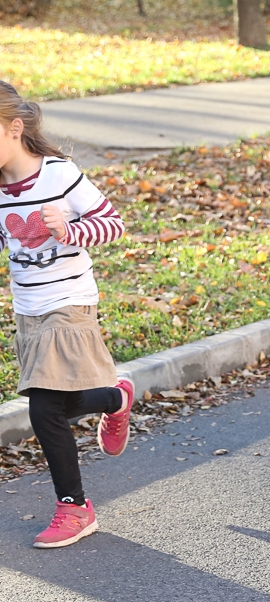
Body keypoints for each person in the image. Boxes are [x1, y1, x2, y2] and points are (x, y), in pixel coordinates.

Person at [0, 81, 133, 548]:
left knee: (43, 406)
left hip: (69, 301)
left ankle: (75, 508)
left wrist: (71, 229)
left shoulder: (59, 175)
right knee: (56, 403)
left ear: (14, 128)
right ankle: (114, 398)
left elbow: (113, 224)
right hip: (28, 308)